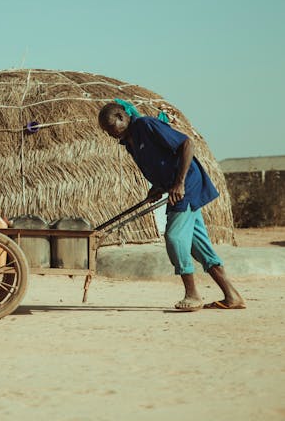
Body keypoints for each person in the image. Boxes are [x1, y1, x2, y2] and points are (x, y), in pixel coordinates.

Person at [98, 99, 245, 312]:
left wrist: (179, 183)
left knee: (174, 238)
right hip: (176, 187)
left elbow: (186, 144)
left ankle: (192, 294)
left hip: (187, 187)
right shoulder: (130, 142)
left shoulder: (146, 125)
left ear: (122, 117)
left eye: (111, 127)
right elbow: (160, 162)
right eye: (106, 131)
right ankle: (232, 296)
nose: (110, 134)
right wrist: (158, 186)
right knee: (198, 245)